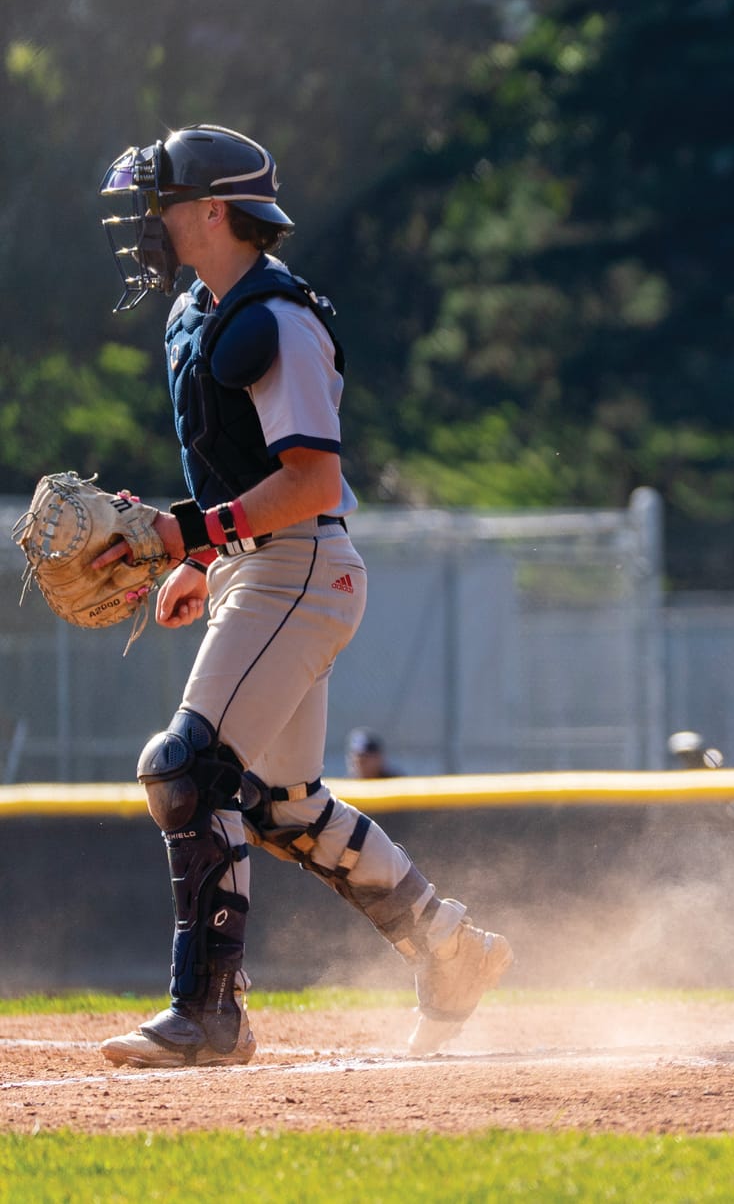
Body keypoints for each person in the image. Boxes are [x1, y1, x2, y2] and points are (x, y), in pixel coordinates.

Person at [90, 125, 511, 1068]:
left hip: (300, 569)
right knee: (283, 807)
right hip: (261, 567)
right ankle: (451, 949)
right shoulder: (200, 311)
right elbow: (243, 473)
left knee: (188, 770)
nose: (146, 221)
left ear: (213, 211)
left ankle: (208, 1013)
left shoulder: (276, 320)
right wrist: (199, 557)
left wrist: (184, 536)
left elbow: (312, 481)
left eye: (161, 202)